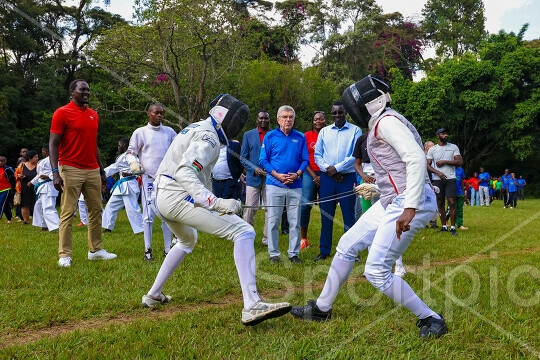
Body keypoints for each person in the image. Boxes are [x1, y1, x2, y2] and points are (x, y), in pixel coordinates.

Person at [292, 75, 447, 339]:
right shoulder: (382, 121)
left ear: (368, 104)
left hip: (411, 201)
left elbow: (416, 160)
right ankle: (322, 307)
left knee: (376, 271)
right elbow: (395, 166)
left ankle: (432, 318)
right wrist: (379, 188)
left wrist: (409, 206)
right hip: (394, 198)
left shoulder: (387, 122)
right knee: (347, 245)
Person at [141, 94, 292, 326]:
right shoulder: (209, 137)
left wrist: (213, 201)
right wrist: (217, 203)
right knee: (244, 231)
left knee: (186, 240)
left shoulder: (198, 127)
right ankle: (252, 304)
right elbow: (185, 172)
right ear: (226, 117)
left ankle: (153, 294)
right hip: (176, 197)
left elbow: (197, 175)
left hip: (161, 198)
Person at [49, 79, 117, 268]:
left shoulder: (94, 115)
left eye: (88, 90)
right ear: (72, 92)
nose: (86, 92)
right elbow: (53, 144)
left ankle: (95, 251)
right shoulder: (61, 113)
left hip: (92, 169)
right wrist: (55, 172)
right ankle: (65, 255)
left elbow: (93, 144)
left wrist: (102, 171)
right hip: (70, 168)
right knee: (68, 211)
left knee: (96, 210)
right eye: (82, 90)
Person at [126, 104, 177, 261]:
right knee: (148, 215)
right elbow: (130, 152)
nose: (160, 115)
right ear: (148, 113)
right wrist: (133, 163)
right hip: (148, 178)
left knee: (166, 214)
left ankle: (168, 249)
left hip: (166, 179)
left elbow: (178, 150)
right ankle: (148, 250)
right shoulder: (140, 132)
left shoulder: (169, 132)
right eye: (156, 113)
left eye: (162, 113)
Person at [259, 105, 309, 264]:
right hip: (274, 184)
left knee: (295, 221)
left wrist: (298, 174)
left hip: (295, 185)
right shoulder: (270, 137)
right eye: (285, 117)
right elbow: (263, 160)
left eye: (291, 117)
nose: (288, 120)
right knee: (273, 221)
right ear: (278, 119)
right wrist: (277, 175)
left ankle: (293, 254)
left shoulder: (300, 137)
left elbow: (305, 160)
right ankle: (274, 254)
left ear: (294, 119)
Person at [313, 101, 361, 262]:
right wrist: (329, 170)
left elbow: (355, 155)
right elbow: (317, 155)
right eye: (334, 113)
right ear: (331, 114)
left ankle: (351, 252)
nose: (337, 115)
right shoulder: (324, 132)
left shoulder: (355, 130)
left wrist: (337, 169)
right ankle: (324, 250)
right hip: (327, 178)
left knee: (349, 216)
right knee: (326, 215)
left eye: (340, 112)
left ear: (345, 112)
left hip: (346, 178)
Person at [240, 111, 271, 245]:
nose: (263, 120)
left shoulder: (275, 134)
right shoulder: (248, 135)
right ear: (257, 120)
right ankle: (246, 237)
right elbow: (242, 157)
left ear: (269, 120)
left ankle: (267, 239)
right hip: (253, 178)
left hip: (270, 178)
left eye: (266, 118)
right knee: (250, 208)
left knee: (270, 209)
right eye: (261, 118)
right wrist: (254, 168)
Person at [101, 138, 143, 234]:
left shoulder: (131, 156)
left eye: (119, 145)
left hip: (130, 185)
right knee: (111, 206)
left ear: (124, 145)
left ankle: (141, 229)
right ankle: (108, 227)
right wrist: (101, 173)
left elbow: (138, 169)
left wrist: (129, 174)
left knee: (132, 208)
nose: (118, 147)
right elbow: (114, 167)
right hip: (121, 187)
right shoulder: (121, 157)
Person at [426, 128, 462, 236]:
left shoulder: (453, 147)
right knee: (440, 202)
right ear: (438, 136)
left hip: (450, 178)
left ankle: (452, 227)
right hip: (437, 179)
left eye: (446, 133)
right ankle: (444, 226)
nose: (445, 135)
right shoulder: (433, 149)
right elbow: (427, 165)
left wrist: (445, 162)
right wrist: (438, 172)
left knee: (452, 202)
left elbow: (460, 161)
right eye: (443, 133)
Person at [299, 111, 326, 249]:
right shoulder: (306, 136)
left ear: (325, 121)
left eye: (321, 119)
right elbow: (303, 158)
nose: (318, 122)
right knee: (305, 205)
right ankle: (304, 239)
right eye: (316, 119)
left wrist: (322, 174)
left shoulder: (329, 134)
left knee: (325, 207)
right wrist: (314, 176)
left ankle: (325, 239)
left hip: (326, 173)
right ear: (313, 121)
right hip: (310, 172)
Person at [30, 145, 60, 232]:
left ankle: (56, 227)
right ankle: (45, 225)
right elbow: (39, 175)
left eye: (42, 151)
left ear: (45, 151)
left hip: (49, 186)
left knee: (48, 207)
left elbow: (59, 173)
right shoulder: (42, 161)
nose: (41, 153)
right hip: (42, 187)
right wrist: (32, 182)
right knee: (39, 207)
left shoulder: (54, 160)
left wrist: (48, 176)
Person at [16, 150, 38, 225]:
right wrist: (20, 176)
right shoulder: (22, 165)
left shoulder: (38, 165)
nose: (37, 159)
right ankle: (26, 221)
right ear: (30, 158)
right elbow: (16, 174)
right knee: (24, 204)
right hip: (24, 187)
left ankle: (38, 220)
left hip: (36, 187)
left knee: (37, 204)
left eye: (37, 157)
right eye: (35, 157)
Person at [423, 141, 438, 229]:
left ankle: (433, 222)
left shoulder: (434, 159)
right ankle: (423, 222)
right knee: (424, 202)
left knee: (434, 202)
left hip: (434, 182)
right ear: (426, 148)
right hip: (424, 183)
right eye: (431, 147)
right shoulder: (421, 158)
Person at [0, 156, 15, 223]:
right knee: (5, 205)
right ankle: (9, 218)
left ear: (5, 162)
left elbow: (14, 177)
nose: (0, 162)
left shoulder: (7, 169)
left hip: (6, 189)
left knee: (1, 203)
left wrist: (13, 188)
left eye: (2, 161)